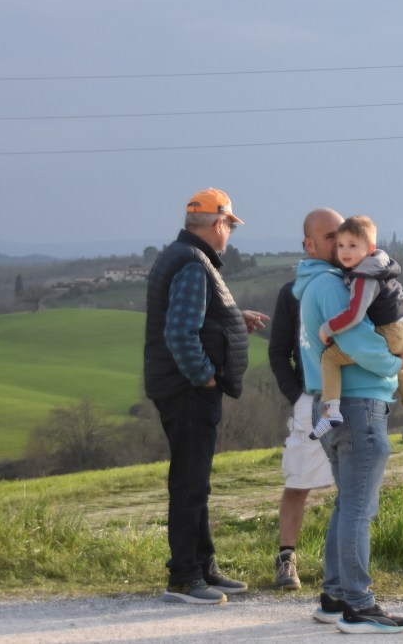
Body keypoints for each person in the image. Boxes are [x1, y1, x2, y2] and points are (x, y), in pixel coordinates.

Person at [293, 208, 403, 635]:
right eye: (330, 237)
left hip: (334, 403)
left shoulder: (314, 283)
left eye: (344, 236)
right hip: (359, 404)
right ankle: (359, 606)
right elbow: (360, 342)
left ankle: (335, 597)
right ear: (311, 244)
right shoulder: (331, 285)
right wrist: (398, 362)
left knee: (348, 503)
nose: (339, 244)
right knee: (359, 510)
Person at [144, 188, 270, 605]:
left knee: (196, 480)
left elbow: (194, 315)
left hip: (180, 388)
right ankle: (184, 577)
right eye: (230, 226)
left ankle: (203, 566)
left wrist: (233, 317)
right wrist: (205, 379)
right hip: (187, 391)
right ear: (219, 223)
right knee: (190, 483)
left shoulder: (183, 256)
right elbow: (180, 332)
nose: (229, 233)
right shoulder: (193, 263)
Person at [312, 215, 403, 441]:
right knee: (399, 367)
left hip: (391, 330)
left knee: (330, 358)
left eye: (352, 245)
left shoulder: (364, 276)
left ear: (370, 248)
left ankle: (330, 410)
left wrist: (328, 328)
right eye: (341, 245)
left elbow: (354, 315)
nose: (345, 251)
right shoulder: (380, 264)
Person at [268, 277, 335, 590]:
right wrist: (298, 397)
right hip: (309, 398)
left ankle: (345, 564)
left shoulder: (358, 283)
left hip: (353, 396)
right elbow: (278, 352)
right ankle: (286, 559)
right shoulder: (292, 290)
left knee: (353, 487)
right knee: (297, 483)